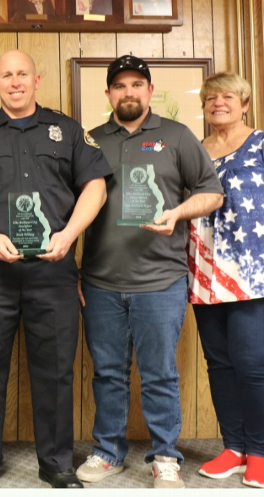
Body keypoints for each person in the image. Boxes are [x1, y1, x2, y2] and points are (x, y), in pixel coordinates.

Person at [0, 49, 111, 489]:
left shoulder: (68, 132)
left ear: (37, 80)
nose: (14, 82)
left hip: (52, 271)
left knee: (55, 369)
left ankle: (56, 463)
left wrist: (69, 234)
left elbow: (95, 187)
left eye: (22, 74)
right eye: (5, 76)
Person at [75, 55, 223, 489]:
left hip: (161, 281)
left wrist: (177, 212)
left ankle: (165, 457)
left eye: (137, 84)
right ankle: (108, 451)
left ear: (149, 91)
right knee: (107, 372)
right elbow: (68, 204)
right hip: (100, 281)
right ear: (108, 94)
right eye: (119, 86)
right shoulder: (90, 140)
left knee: (159, 372)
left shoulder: (177, 136)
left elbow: (211, 192)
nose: (129, 92)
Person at [187, 72, 264, 489]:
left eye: (227, 96)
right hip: (204, 274)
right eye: (211, 97)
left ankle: (260, 453)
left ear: (244, 103)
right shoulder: (195, 151)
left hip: (255, 276)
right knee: (220, 365)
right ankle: (233, 448)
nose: (218, 103)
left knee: (254, 366)